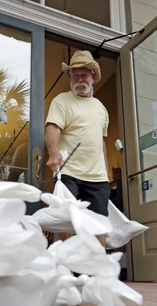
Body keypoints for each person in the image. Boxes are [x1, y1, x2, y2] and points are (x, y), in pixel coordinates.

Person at [45, 50, 110, 242]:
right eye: (75, 74)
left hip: (97, 177)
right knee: (69, 221)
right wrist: (53, 152)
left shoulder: (100, 107)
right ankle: (69, 267)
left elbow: (101, 141)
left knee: (99, 226)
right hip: (70, 172)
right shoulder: (61, 101)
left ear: (92, 77)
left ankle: (97, 267)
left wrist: (105, 170)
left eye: (84, 74)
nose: (79, 78)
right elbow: (53, 126)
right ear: (70, 77)